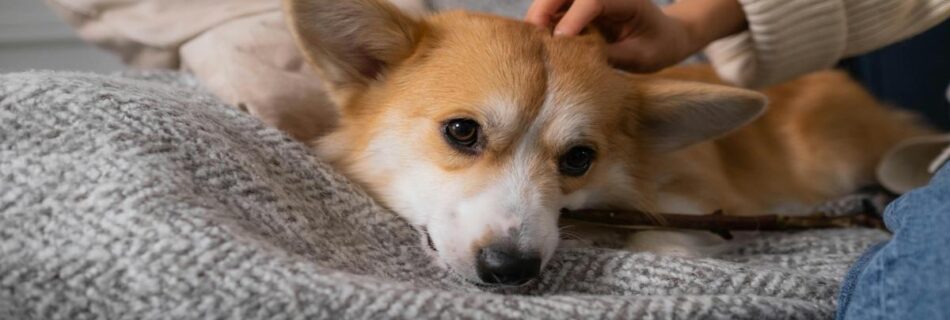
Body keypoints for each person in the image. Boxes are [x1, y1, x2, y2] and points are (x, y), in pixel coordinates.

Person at [524, 0, 950, 319]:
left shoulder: (635, 125)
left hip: (813, 107)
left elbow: (693, 188)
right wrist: (687, 26)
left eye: (576, 156)